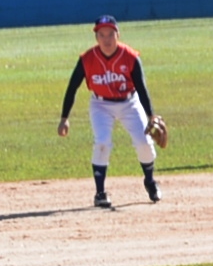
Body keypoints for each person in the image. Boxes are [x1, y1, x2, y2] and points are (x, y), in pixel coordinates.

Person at [59, 16, 164, 209]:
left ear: (118, 35)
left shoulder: (130, 57)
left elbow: (142, 88)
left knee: (144, 142)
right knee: (102, 143)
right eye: (102, 35)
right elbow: (72, 87)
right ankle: (100, 193)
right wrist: (64, 118)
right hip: (101, 105)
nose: (106, 39)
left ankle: (150, 181)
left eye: (110, 34)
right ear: (96, 37)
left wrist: (150, 116)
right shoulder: (87, 59)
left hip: (129, 103)